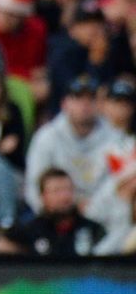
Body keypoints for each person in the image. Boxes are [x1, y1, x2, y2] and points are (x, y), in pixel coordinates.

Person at [24, 75, 123, 213]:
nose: (84, 105)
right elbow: (34, 186)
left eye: (91, 99)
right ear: (64, 104)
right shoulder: (47, 137)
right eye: (78, 98)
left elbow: (119, 183)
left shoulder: (116, 138)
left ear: (99, 104)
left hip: (103, 215)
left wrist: (92, 210)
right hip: (56, 216)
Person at [22, 168, 107, 256]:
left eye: (68, 190)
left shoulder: (93, 230)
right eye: (57, 191)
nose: (64, 197)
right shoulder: (30, 231)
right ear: (43, 197)